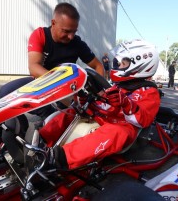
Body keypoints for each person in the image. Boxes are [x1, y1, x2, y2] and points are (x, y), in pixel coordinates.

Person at [38, 39, 161, 170]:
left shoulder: (149, 92)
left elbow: (143, 120)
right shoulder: (119, 85)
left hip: (122, 125)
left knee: (116, 132)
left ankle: (60, 157)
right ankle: (41, 139)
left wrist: (126, 103)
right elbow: (104, 103)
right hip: (103, 116)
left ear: (140, 65)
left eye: (123, 63)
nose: (118, 65)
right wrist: (87, 101)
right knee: (70, 113)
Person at [0, 2, 104, 118]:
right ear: (53, 23)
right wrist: (59, 83)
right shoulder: (40, 35)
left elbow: (98, 66)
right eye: (66, 31)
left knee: (57, 119)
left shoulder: (77, 43)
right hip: (43, 84)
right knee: (6, 92)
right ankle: (30, 123)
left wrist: (98, 90)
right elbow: (33, 68)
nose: (71, 36)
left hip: (67, 90)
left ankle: (52, 121)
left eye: (74, 31)